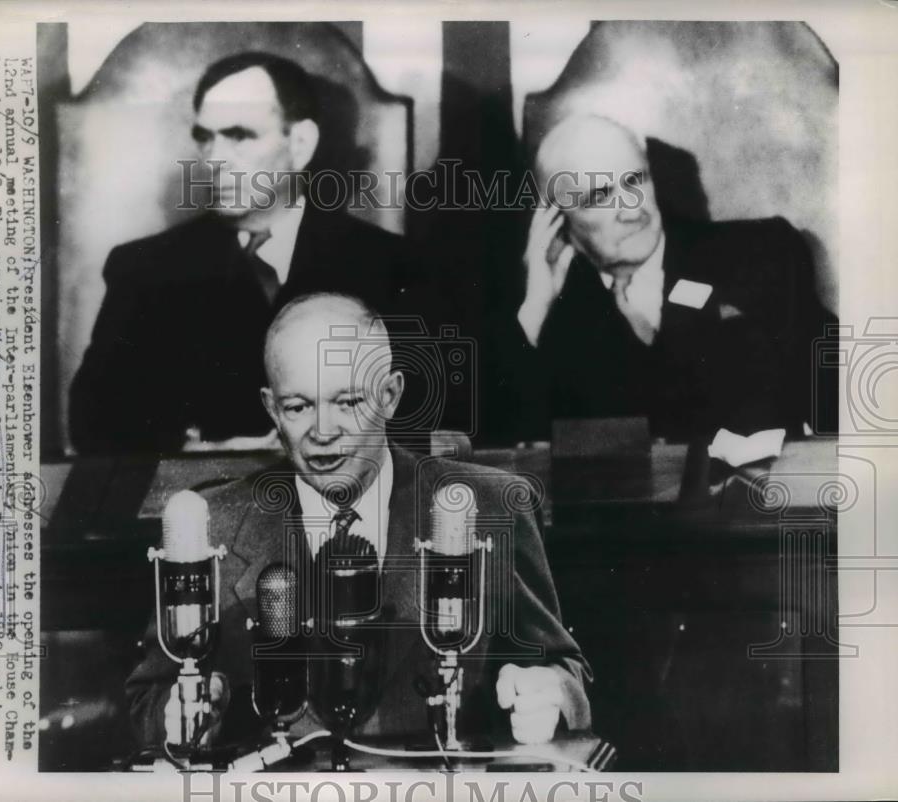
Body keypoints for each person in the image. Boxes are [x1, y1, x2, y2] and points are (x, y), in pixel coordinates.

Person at [126, 293, 591, 751]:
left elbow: (564, 669)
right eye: (298, 407)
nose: (323, 431)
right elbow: (146, 701)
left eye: (347, 402)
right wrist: (181, 716)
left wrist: (551, 693)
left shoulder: (488, 507)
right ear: (271, 408)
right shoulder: (215, 524)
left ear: (390, 395)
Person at [70, 53, 423, 455]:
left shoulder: (394, 266)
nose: (215, 159)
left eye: (239, 135)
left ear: (301, 143)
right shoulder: (144, 270)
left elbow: (432, 415)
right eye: (206, 137)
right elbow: (93, 423)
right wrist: (196, 452)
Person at [489, 114, 837, 443]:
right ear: (557, 220)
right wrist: (535, 310)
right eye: (599, 196)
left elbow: (843, 395)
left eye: (634, 180)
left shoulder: (760, 253)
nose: (631, 208)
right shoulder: (547, 314)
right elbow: (502, 453)